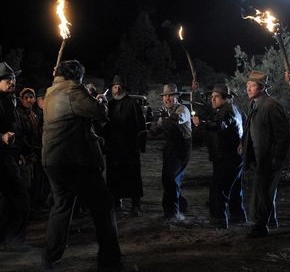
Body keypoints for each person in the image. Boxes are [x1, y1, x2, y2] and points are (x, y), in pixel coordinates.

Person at [41, 60, 121, 270]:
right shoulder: (73, 90)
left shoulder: (50, 92)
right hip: (75, 161)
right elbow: (99, 113)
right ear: (77, 76)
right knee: (103, 206)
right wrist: (101, 101)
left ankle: (51, 257)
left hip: (53, 161)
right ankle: (110, 260)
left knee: (61, 207)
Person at [0, 62, 30, 249]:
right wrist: (1, 137)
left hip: (11, 155)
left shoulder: (11, 100)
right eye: (6, 79)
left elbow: (16, 128)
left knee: (4, 197)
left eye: (13, 78)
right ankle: (15, 241)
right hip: (1, 157)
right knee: (20, 198)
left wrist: (24, 150)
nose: (11, 81)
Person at [242, 71, 290, 238]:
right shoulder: (254, 104)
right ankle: (269, 222)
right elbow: (250, 129)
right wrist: (243, 145)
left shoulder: (271, 105)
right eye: (247, 85)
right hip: (258, 157)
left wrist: (277, 158)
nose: (248, 89)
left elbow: (283, 135)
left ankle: (259, 227)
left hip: (269, 158)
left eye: (252, 85)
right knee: (263, 191)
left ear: (262, 88)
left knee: (264, 192)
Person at [192, 84, 246, 228]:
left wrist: (201, 124)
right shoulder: (231, 109)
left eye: (216, 97)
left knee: (218, 190)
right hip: (232, 157)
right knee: (234, 190)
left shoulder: (227, 111)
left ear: (226, 98)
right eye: (212, 97)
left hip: (227, 158)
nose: (212, 100)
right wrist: (195, 92)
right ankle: (238, 218)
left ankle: (218, 222)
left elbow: (220, 125)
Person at [103, 75, 146, 216]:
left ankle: (136, 205)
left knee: (132, 176)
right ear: (111, 88)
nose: (117, 89)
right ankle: (116, 203)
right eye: (115, 86)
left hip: (129, 147)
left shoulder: (132, 104)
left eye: (120, 86)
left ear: (124, 88)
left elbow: (140, 125)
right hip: (114, 148)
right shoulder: (108, 104)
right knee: (114, 177)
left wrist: (140, 146)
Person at [150, 83, 192, 222]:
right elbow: (155, 132)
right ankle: (180, 204)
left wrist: (163, 119)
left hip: (181, 149)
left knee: (172, 179)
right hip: (169, 148)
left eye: (170, 95)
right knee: (167, 179)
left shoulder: (182, 110)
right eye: (165, 96)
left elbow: (173, 122)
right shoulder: (165, 111)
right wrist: (153, 124)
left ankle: (173, 214)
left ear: (176, 97)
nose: (167, 98)